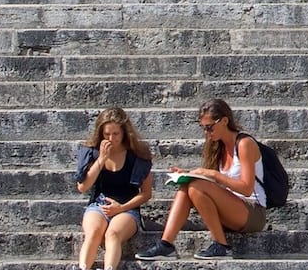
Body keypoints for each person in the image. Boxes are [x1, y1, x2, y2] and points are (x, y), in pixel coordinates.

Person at [135, 99, 267, 260]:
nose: (207, 132)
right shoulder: (217, 146)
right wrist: (189, 173)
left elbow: (246, 188)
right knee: (187, 185)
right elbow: (214, 184)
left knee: (196, 186)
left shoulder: (244, 144)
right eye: (203, 128)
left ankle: (222, 246)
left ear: (224, 121)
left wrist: (214, 174)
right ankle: (166, 244)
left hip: (253, 212)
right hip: (230, 207)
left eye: (210, 127)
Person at [73, 107, 154, 270]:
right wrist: (101, 159)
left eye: (115, 134)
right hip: (98, 205)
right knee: (94, 232)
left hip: (127, 208)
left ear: (124, 132)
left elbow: (146, 194)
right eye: (107, 134)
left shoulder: (137, 156)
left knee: (113, 234)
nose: (111, 138)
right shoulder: (92, 153)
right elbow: (82, 187)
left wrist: (121, 208)